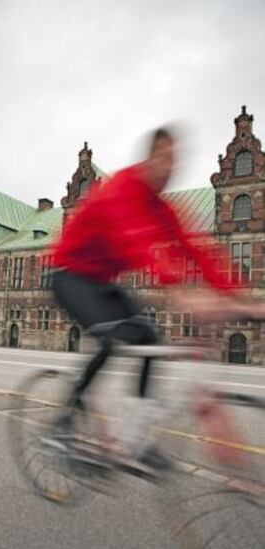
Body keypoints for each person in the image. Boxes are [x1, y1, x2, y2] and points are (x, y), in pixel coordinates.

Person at [51, 127, 262, 459]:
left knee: (149, 338)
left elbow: (196, 249)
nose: (168, 167)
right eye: (163, 157)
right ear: (149, 157)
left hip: (101, 282)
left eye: (174, 161)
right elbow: (136, 242)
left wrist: (238, 297)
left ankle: (136, 437)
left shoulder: (162, 209)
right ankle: (66, 416)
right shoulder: (122, 188)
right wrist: (181, 292)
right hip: (68, 276)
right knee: (108, 338)